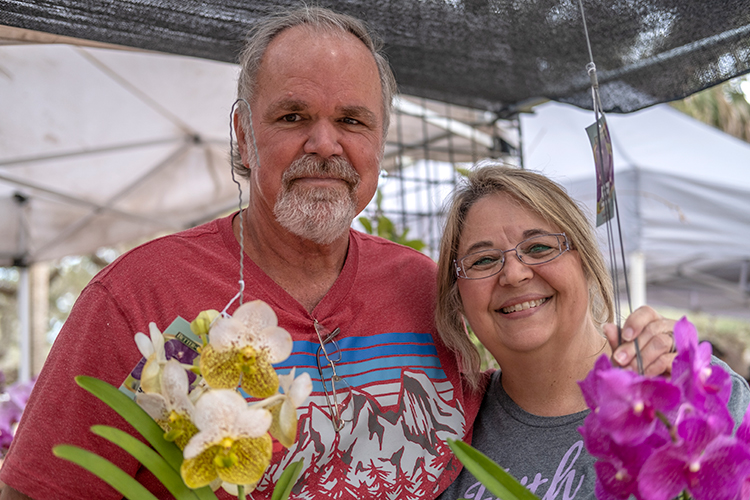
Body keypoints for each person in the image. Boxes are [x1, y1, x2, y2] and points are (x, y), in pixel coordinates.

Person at [0, 7, 485, 500]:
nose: (324, 143)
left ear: (381, 139)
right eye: (292, 116)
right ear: (243, 134)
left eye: (352, 120)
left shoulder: (423, 287)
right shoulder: (138, 296)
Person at [434, 164, 750, 500]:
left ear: (585, 262)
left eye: (539, 247)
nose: (514, 274)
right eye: (482, 260)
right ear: (458, 299)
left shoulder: (691, 392)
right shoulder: (446, 435)